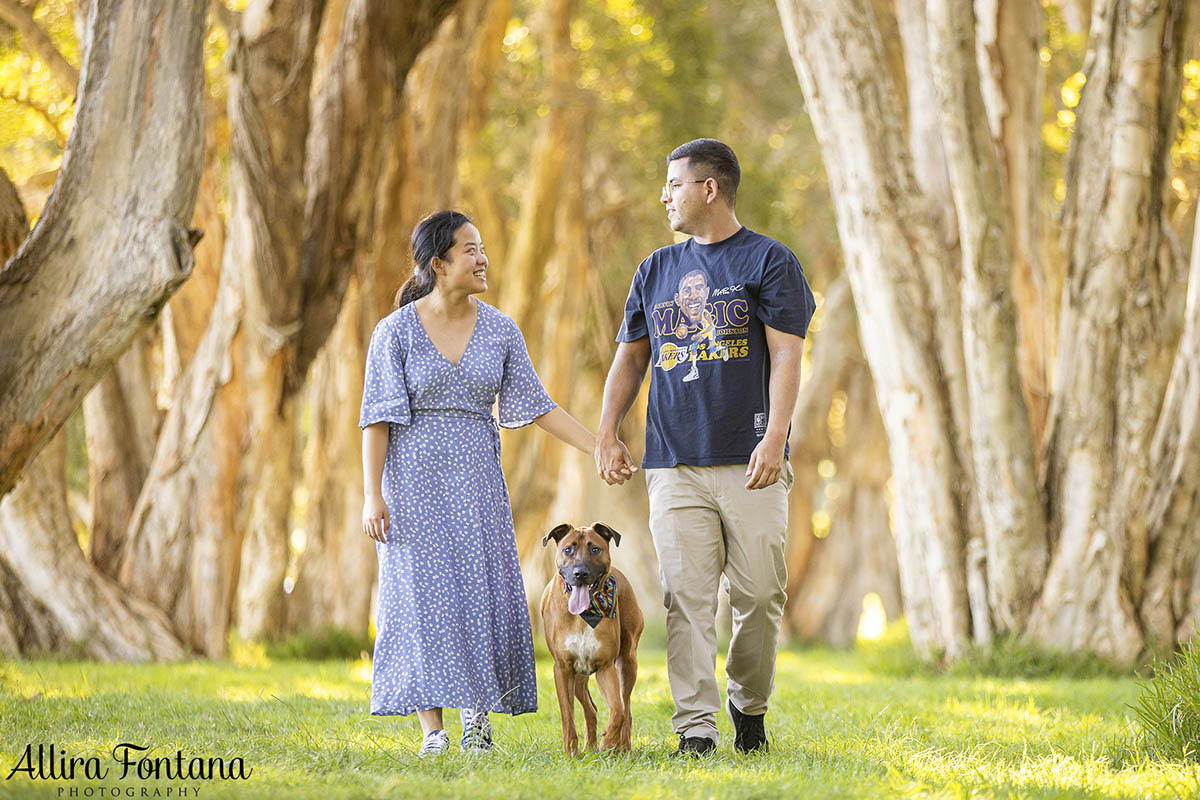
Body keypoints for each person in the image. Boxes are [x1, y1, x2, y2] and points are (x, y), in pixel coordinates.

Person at [594, 139, 815, 757]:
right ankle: (696, 728)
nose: (665, 195)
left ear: (708, 189)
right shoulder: (655, 270)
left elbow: (787, 354)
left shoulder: (770, 262)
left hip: (751, 462)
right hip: (673, 463)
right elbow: (630, 359)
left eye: (674, 184)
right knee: (686, 600)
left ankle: (748, 706)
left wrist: (775, 437)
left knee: (760, 596)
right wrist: (608, 431)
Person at [359, 210, 603, 758]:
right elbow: (375, 418)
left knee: (479, 593)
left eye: (483, 247)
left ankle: (477, 724)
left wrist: (597, 444)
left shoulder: (500, 329)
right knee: (421, 597)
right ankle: (434, 733)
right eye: (469, 250)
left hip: (477, 480)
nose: (482, 258)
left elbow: (538, 406)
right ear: (437, 264)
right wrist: (372, 493)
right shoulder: (394, 332)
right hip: (413, 480)